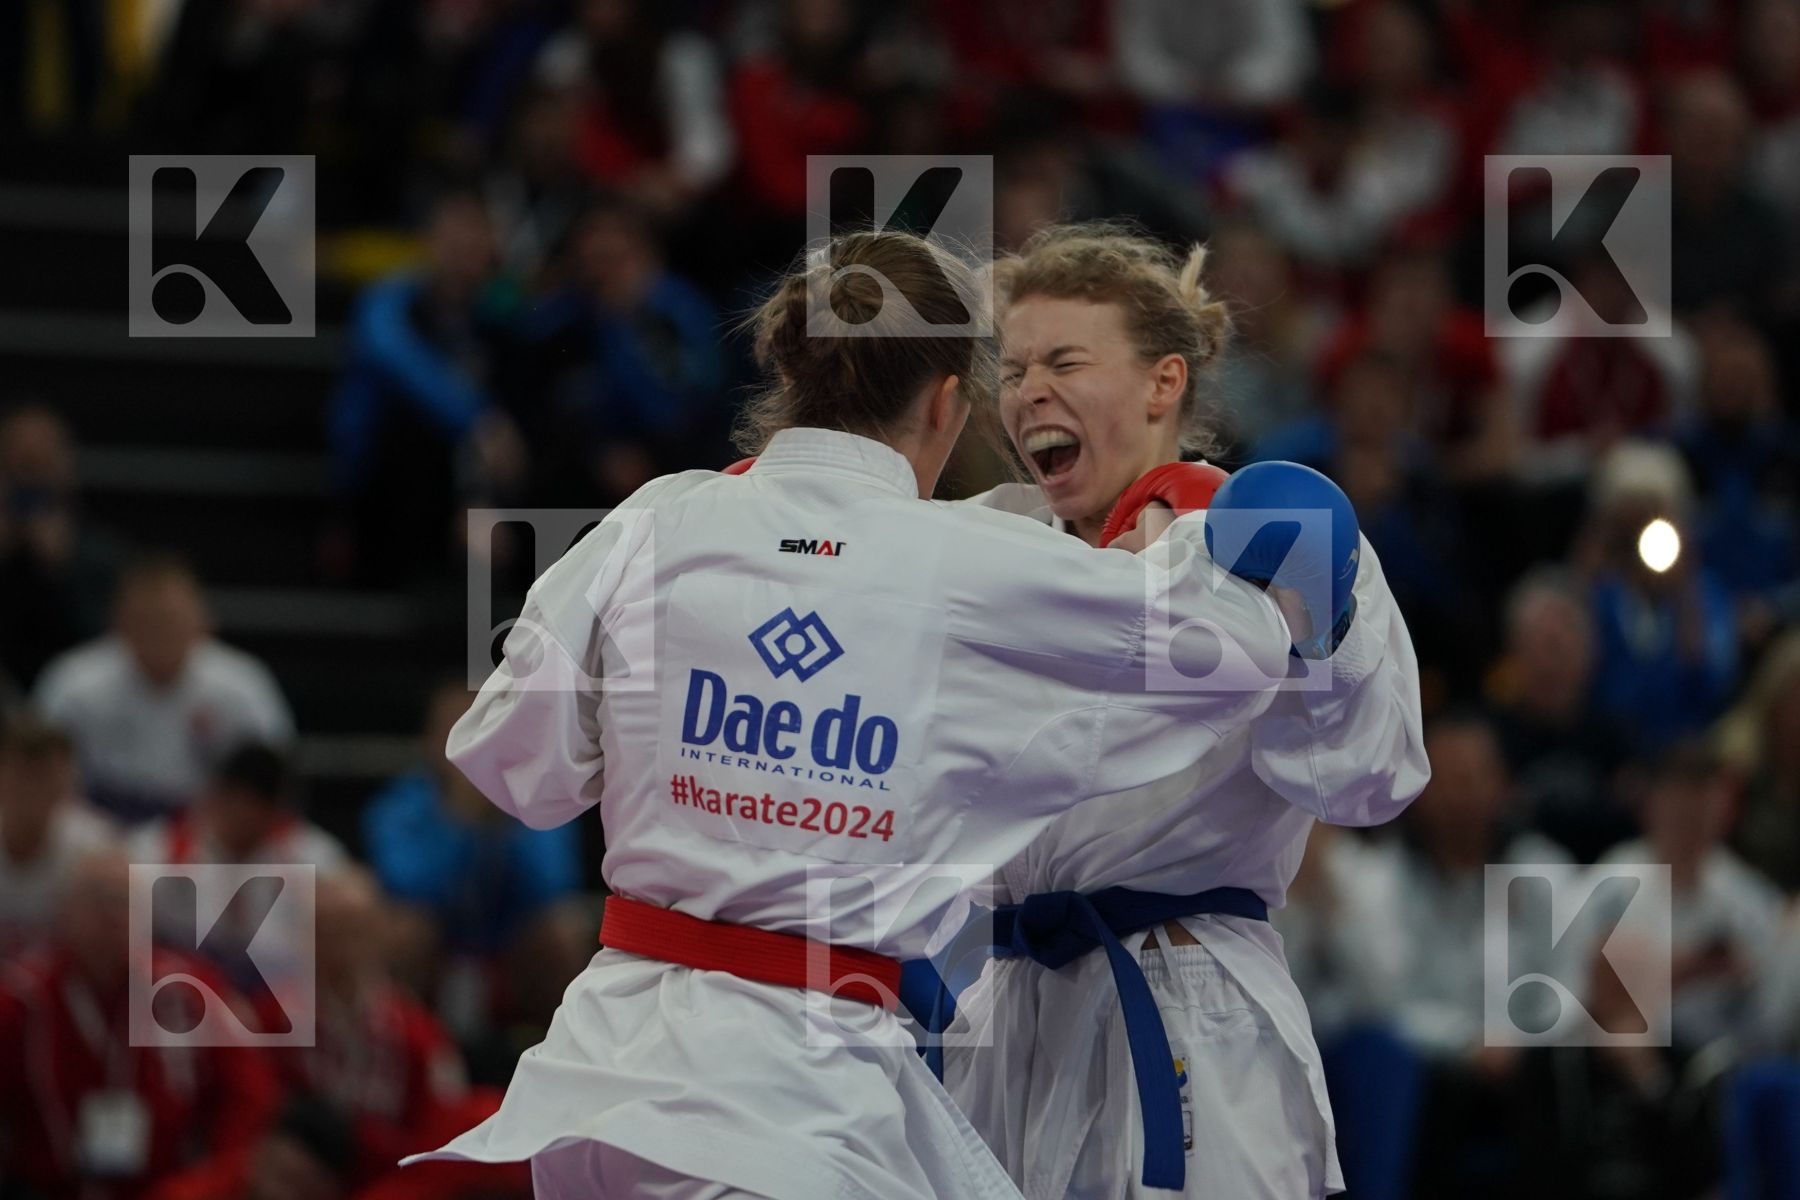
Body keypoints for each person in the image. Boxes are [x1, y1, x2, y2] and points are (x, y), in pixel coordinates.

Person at [407, 228, 1319, 1199]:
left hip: (607, 1081)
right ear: (945, 402)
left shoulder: (656, 520)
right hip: (797, 1107)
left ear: (788, 369)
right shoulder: (970, 562)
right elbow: (1236, 652)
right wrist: (1185, 514)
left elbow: (514, 763)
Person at [938, 223, 1427, 1199]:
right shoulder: (978, 542)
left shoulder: (1256, 533)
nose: (1028, 391)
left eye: (1065, 362)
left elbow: (1371, 780)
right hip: (997, 1004)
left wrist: (1320, 626)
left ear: (1164, 384)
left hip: (1184, 993)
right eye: (1016, 369)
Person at [0, 847, 280, 1199]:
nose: (112, 914)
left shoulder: (190, 992)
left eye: (124, 901)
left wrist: (206, 1185)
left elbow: (250, 1097)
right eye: (98, 899)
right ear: (63, 911)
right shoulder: (24, 997)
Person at [34, 555, 296, 823]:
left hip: (205, 835)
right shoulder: (74, 684)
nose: (159, 635)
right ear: (119, 622)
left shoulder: (243, 687)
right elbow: (34, 779)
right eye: (147, 622)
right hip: (96, 833)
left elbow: (274, 786)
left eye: (171, 620)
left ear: (203, 620)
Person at [0, 712, 114, 956]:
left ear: (68, 783)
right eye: (23, 775)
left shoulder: (94, 848)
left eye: (45, 778)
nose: (32, 790)